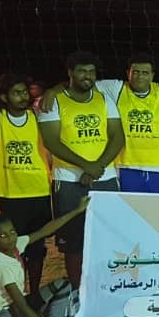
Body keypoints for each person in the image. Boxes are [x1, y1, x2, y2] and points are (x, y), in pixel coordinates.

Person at [37, 51, 125, 300]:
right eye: (82, 71)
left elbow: (118, 136)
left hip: (105, 178)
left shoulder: (104, 99)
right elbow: (51, 142)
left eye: (92, 71)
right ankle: (78, 294)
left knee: (107, 237)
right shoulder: (53, 101)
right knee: (73, 241)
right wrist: (86, 166)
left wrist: (98, 167)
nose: (88, 76)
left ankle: (104, 290)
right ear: (70, 74)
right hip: (68, 180)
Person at [41, 54, 159, 193]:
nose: (140, 77)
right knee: (124, 209)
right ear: (128, 73)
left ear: (152, 75)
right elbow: (82, 83)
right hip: (125, 168)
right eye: (135, 72)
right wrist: (53, 90)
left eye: (145, 73)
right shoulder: (116, 88)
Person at [0, 74, 54, 293]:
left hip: (39, 190)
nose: (23, 96)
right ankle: (18, 290)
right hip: (11, 194)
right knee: (13, 246)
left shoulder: (38, 115)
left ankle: (34, 292)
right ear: (3, 97)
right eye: (16, 93)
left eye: (25, 92)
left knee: (36, 246)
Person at [0, 199, 92, 317]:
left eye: (12, 232)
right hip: (6, 314)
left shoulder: (16, 245)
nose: (10, 238)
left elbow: (45, 231)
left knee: (66, 284)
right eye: (3, 236)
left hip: (19, 304)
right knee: (66, 299)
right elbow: (21, 305)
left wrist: (77, 210)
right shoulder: (1, 266)